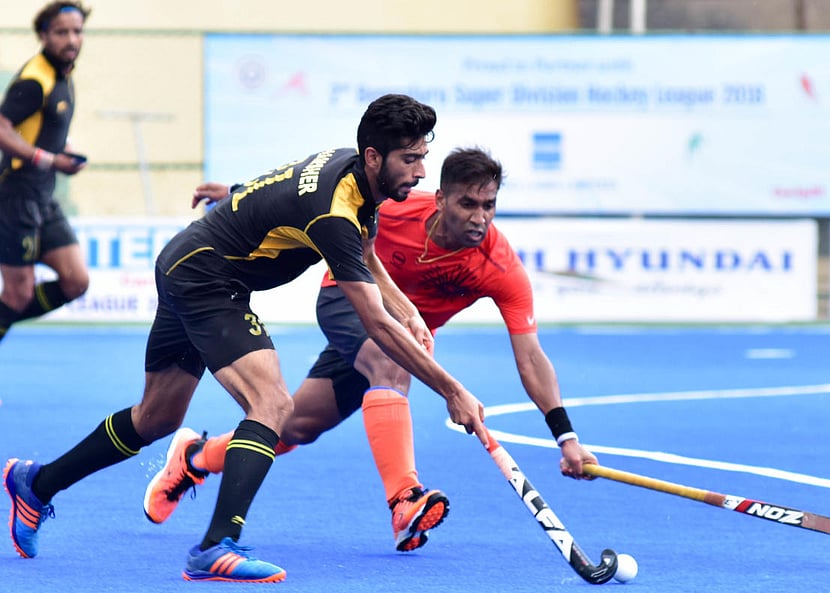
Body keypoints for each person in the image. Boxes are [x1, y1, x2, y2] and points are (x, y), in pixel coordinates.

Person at [3, 93, 489, 583]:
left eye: (423, 157)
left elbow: (349, 241)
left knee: (155, 418)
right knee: (272, 403)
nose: (422, 172)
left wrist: (406, 309)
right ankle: (216, 546)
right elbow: (375, 325)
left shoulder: (353, 174)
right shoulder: (336, 211)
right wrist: (452, 390)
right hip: (207, 281)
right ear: (374, 157)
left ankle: (35, 483)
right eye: (411, 159)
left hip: (185, 264)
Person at [144, 147, 598, 553]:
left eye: (489, 205)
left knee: (295, 426)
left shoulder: (499, 266)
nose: (480, 217)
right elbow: (315, 196)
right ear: (440, 199)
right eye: (468, 203)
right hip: (346, 298)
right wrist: (241, 194)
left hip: (401, 334)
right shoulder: (398, 209)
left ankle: (195, 458)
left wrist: (567, 438)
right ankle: (405, 499)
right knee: (390, 363)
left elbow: (532, 357)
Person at [0, 2, 91, 345]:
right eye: (61, 32)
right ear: (43, 35)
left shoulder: (64, 74)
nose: (71, 39)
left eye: (77, 31)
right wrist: (48, 159)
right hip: (15, 196)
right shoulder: (34, 79)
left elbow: (43, 128)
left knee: (76, 280)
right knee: (17, 295)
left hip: (43, 196)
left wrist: (62, 150)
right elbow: (2, 127)